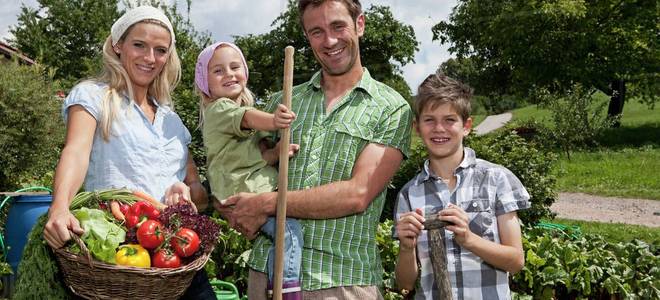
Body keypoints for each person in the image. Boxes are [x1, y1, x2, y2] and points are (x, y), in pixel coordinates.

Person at [216, 0, 413, 298]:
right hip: (268, 275)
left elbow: (357, 194)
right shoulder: (282, 102)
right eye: (317, 31)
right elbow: (234, 164)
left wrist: (266, 203)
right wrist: (228, 202)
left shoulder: (391, 108)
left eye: (338, 26)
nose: (330, 41)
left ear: (359, 24)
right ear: (307, 37)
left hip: (343, 281)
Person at [42, 6, 214, 299]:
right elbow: (76, 151)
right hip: (118, 259)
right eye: (139, 45)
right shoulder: (93, 96)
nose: (150, 58)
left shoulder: (172, 120)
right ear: (118, 45)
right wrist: (60, 206)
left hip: (174, 259)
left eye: (160, 50)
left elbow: (198, 191)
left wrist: (187, 191)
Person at [394, 72, 530, 299]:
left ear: (466, 126)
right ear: (417, 128)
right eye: (429, 120)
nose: (439, 128)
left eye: (449, 120)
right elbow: (405, 283)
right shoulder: (409, 194)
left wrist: (469, 239)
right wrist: (407, 247)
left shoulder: (496, 179)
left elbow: (516, 261)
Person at [194, 41, 303, 298]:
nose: (229, 74)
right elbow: (246, 116)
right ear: (205, 83)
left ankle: (277, 283)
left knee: (283, 234)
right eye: (218, 71)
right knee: (287, 230)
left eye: (235, 67)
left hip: (244, 186)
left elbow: (255, 159)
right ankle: (286, 288)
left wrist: (276, 154)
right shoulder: (219, 109)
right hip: (243, 194)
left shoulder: (232, 120)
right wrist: (275, 121)